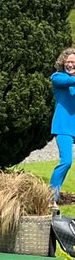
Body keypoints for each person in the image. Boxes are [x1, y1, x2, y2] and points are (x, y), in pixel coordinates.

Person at [51, 48, 75, 205]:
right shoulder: (57, 77)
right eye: (68, 62)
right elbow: (69, 81)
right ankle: (50, 197)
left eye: (73, 62)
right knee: (66, 161)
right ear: (62, 63)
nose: (70, 65)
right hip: (64, 127)